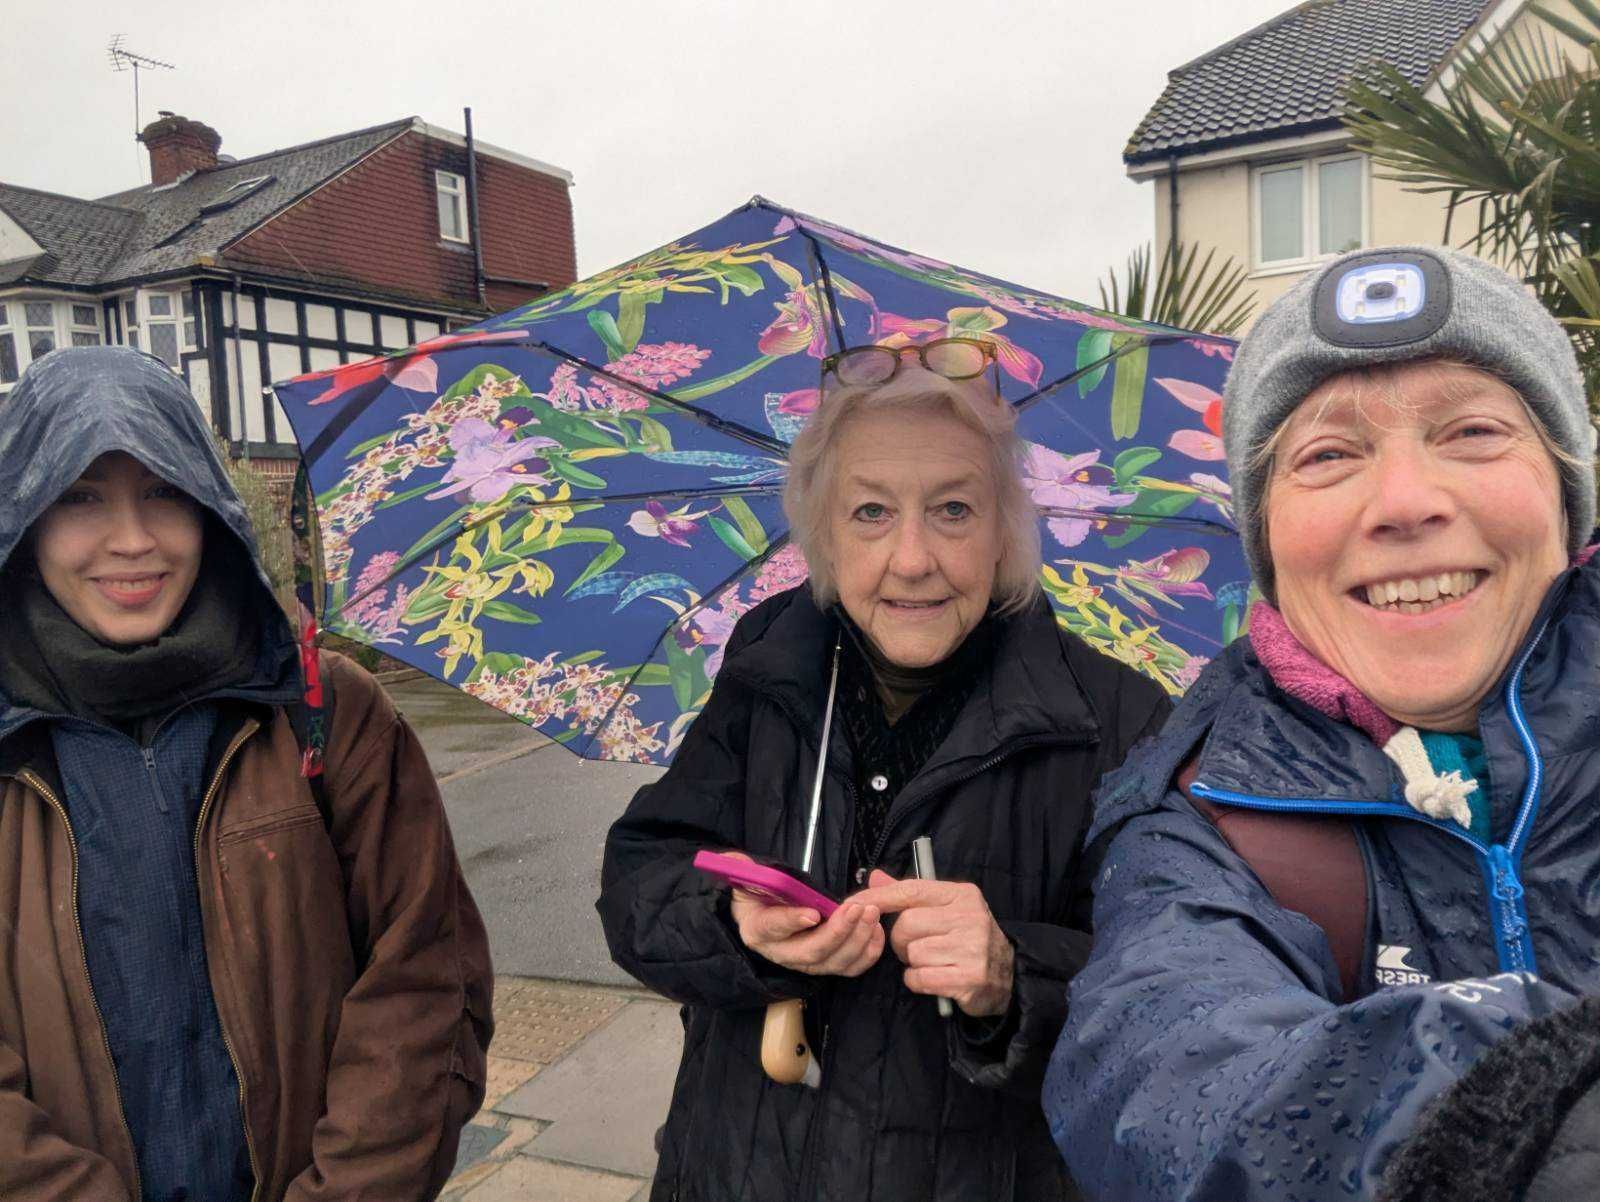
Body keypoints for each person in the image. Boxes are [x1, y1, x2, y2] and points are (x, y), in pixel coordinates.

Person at [1044, 245, 1600, 1201]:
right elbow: (1166, 1070)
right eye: (1329, 455)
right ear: (1266, 535)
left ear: (1566, 493)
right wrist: (1506, 1122)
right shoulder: (1198, 820)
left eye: (1472, 432)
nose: (1406, 503)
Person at [597, 341, 1171, 1202]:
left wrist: (1014, 977)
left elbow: (1168, 998)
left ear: (1005, 528)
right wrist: (735, 925)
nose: (911, 558)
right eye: (870, 512)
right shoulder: (770, 664)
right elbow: (639, 880)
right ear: (823, 534)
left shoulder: (1116, 718)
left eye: (953, 510)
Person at [0, 346, 493, 1201]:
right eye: (80, 497)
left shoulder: (325, 712)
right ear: (25, 519)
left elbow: (424, 980)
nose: (132, 539)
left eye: (165, 491)